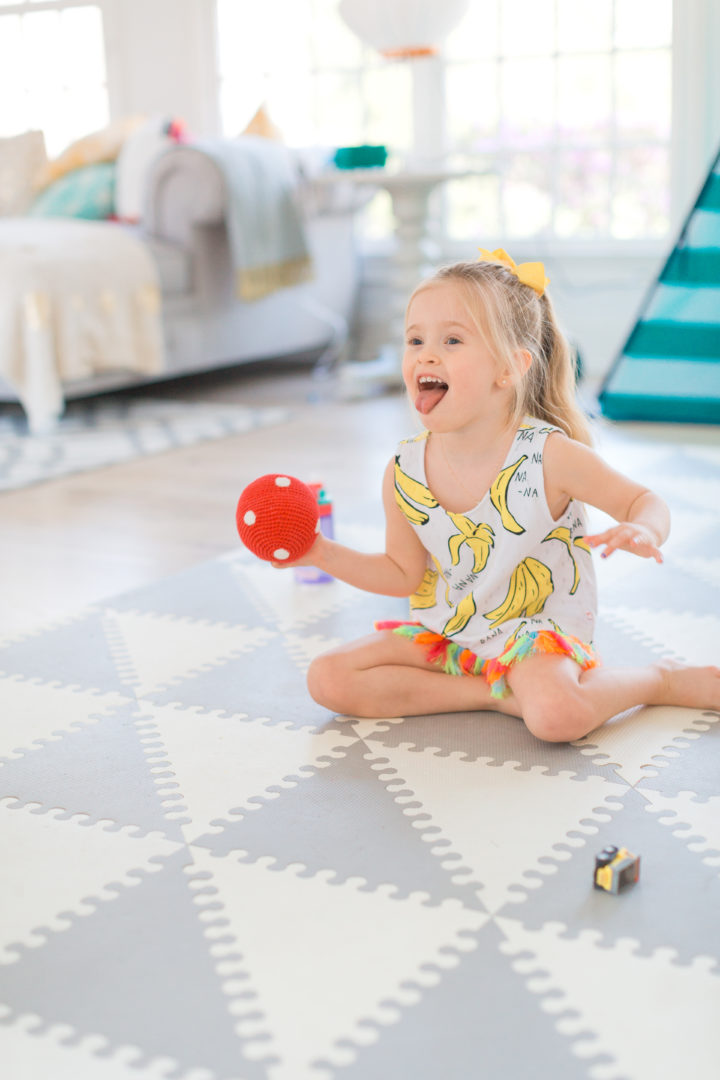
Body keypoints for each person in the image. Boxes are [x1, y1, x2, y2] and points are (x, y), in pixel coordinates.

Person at [277, 249, 720, 742]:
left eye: (451, 340)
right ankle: (496, 694)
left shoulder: (549, 455)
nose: (425, 354)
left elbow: (645, 501)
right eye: (415, 340)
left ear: (509, 369)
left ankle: (659, 679)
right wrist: (318, 551)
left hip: (534, 634)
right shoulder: (402, 470)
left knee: (557, 718)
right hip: (450, 635)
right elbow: (403, 574)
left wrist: (643, 527)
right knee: (328, 678)